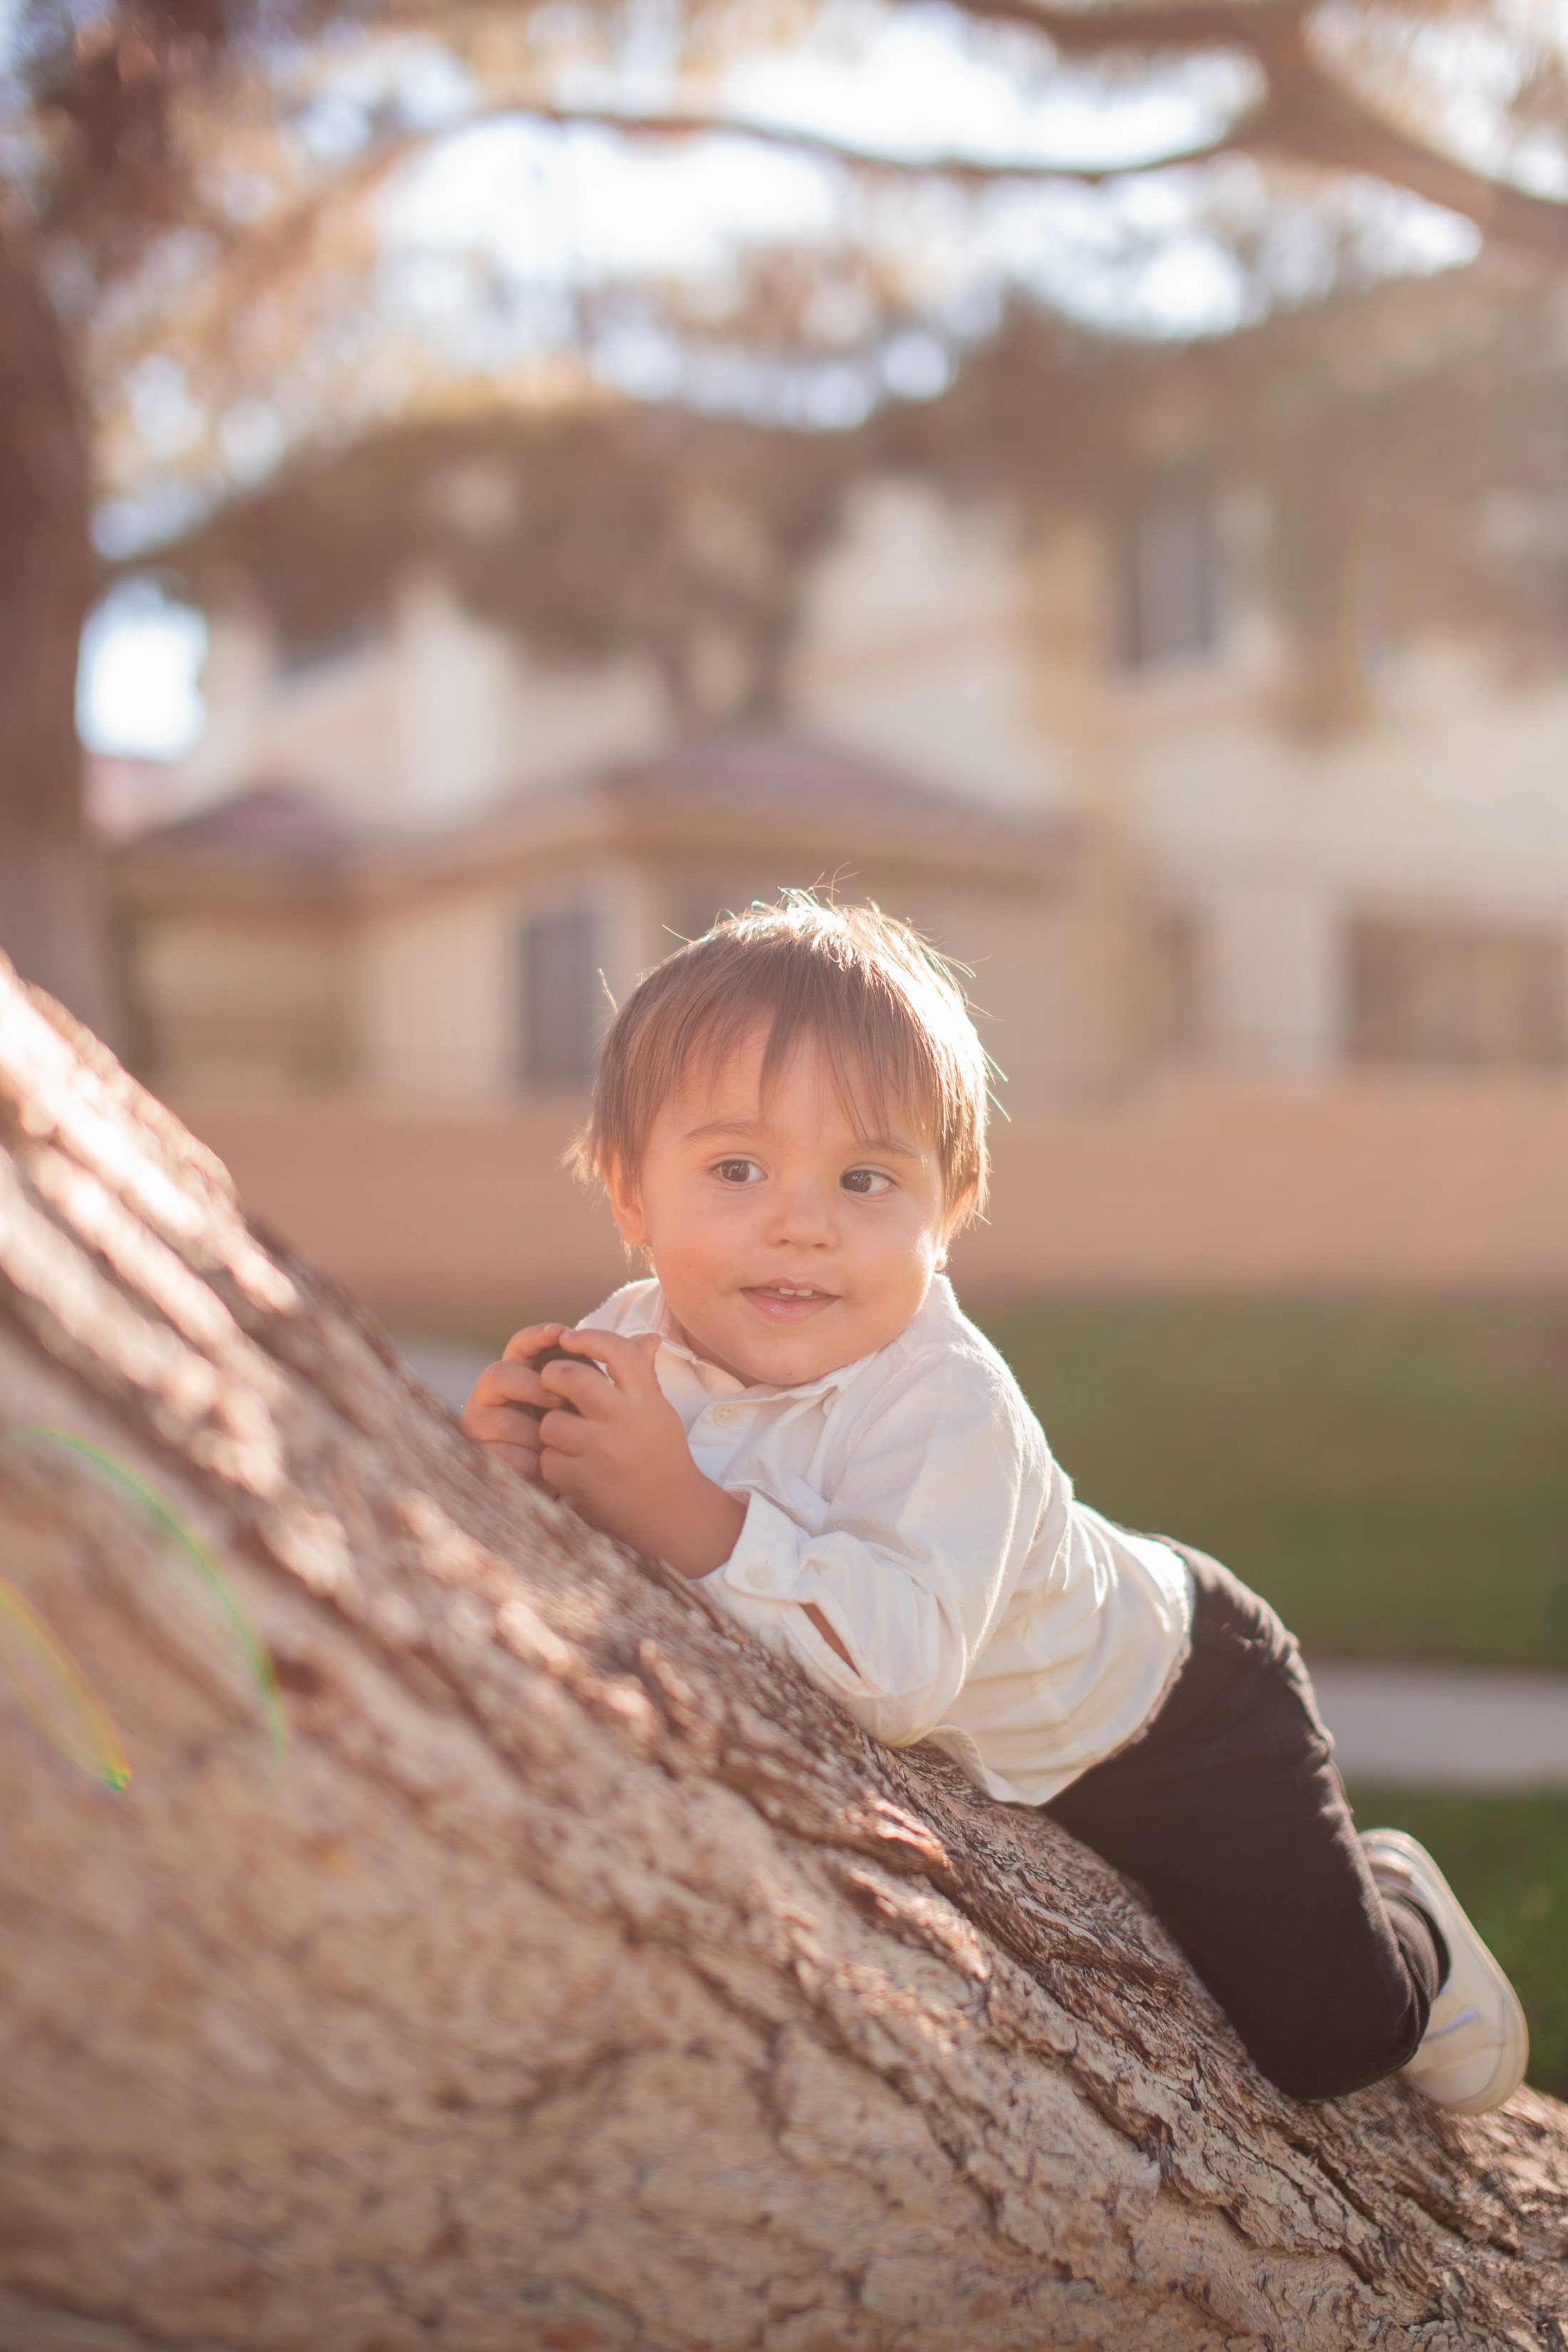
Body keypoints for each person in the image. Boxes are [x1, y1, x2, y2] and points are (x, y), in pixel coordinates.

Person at [462, 895, 1527, 2113]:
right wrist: (518, 1466)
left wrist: (684, 1511)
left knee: (1329, 2042)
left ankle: (1409, 1917)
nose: (801, 1222)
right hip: (1008, 1753)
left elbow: (900, 1668)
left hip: (1169, 1715)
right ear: (630, 1194)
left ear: (949, 1213)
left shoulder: (949, 1402)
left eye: (866, 1177)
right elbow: (593, 1535)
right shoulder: (626, 1341)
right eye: (737, 1168)